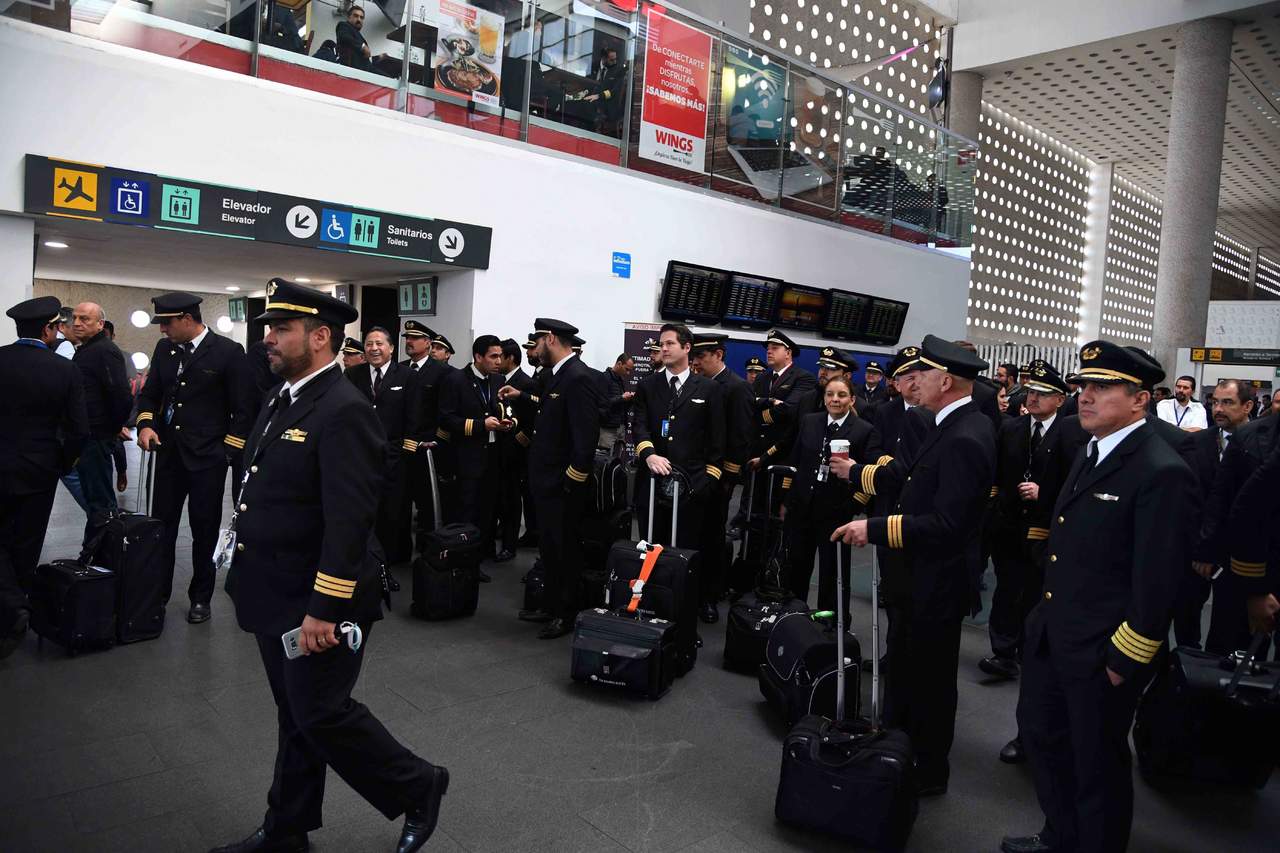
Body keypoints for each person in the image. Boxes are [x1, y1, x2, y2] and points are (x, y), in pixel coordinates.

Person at [213, 280, 447, 853]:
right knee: (295, 715)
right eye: (269, 328)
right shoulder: (282, 396)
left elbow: (349, 521)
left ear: (320, 337)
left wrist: (325, 606)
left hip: (318, 600)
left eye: (281, 329)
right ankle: (287, 830)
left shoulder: (344, 409)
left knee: (319, 713)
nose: (268, 338)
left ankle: (418, 785)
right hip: (273, 588)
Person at [1002, 341, 1195, 853]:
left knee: (1097, 765)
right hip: (1055, 634)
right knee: (1045, 742)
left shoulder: (1160, 470)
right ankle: (1060, 835)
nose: (1085, 396)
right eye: (1083, 386)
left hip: (1102, 649)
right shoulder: (1090, 452)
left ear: (1140, 400)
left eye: (1102, 387)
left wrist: (1124, 657)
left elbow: (1157, 580)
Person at [833, 335, 996, 797]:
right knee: (909, 669)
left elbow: (948, 524)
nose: (911, 381)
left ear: (944, 380)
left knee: (930, 682)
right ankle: (898, 751)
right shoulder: (948, 424)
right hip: (919, 577)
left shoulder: (966, 434)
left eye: (920, 373)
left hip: (936, 581)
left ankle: (925, 769)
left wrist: (877, 528)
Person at [135, 292, 252, 625]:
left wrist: (226, 452)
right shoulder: (165, 350)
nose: (162, 330)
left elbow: (243, 409)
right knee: (162, 528)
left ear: (188, 319)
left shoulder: (228, 352)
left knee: (204, 531)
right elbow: (150, 393)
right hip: (169, 455)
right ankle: (156, 596)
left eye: (167, 323)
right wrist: (145, 424)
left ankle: (201, 597)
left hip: (207, 460)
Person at [982, 362, 1084, 684]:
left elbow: (1074, 481)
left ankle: (1030, 651)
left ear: (1059, 400)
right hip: (1009, 523)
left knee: (1036, 592)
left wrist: (1045, 493)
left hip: (1044, 525)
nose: (1034, 398)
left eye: (1043, 393)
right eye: (1031, 391)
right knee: (1006, 587)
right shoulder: (1011, 428)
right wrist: (996, 506)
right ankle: (1002, 652)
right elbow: (997, 474)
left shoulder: (1072, 433)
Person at [0, 296, 88, 660]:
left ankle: (9, 606)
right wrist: (61, 463)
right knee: (26, 541)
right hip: (39, 470)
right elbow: (79, 430)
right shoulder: (64, 370)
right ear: (48, 329)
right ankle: (13, 614)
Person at [504, 319, 601, 639]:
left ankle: (567, 613)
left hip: (563, 484)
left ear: (550, 338)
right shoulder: (558, 376)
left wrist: (572, 479)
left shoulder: (577, 377)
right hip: (546, 481)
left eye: (538, 341)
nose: (535, 348)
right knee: (549, 548)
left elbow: (585, 437)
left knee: (565, 550)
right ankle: (551, 604)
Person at [782, 375, 879, 622]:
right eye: (830, 394)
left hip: (836, 512)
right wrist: (787, 499)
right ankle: (793, 616)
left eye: (841, 395)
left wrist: (852, 506)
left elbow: (869, 476)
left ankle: (830, 622)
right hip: (802, 507)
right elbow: (795, 463)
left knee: (832, 571)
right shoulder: (809, 421)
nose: (835, 399)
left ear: (852, 399)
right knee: (796, 566)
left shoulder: (864, 430)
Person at [632, 324, 726, 572]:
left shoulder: (709, 389)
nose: (663, 348)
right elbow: (639, 426)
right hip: (652, 483)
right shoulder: (648, 386)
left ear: (687, 347)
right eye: (661, 344)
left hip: (691, 485)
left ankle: (686, 603)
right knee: (650, 547)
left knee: (688, 551)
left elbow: (717, 440)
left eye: (669, 343)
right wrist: (649, 455)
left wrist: (707, 481)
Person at [1189, 378, 1264, 655]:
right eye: (1215, 402)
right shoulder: (1195, 443)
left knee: (1232, 629)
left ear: (1247, 406)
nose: (1218, 408)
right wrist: (1201, 547)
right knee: (1186, 623)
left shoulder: (1264, 447)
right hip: (1197, 552)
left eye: (1227, 403)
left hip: (1241, 557)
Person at [690, 333, 754, 617]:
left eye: (702, 357)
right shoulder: (697, 384)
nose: (697, 363)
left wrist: (727, 479)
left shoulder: (736, 387)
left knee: (713, 537)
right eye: (695, 358)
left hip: (719, 476)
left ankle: (709, 596)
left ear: (719, 355)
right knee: (694, 533)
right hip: (695, 472)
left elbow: (740, 438)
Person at [344, 327, 419, 570]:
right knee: (364, 510)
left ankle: (390, 564)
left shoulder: (407, 376)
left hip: (394, 455)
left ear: (391, 348)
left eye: (379, 344)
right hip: (360, 456)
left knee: (393, 512)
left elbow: (414, 417)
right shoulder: (352, 375)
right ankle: (367, 560)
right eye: (369, 344)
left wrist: (405, 452)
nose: (374, 348)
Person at [438, 334, 510, 575]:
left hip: (493, 455)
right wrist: (481, 425)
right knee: (466, 509)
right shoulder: (456, 379)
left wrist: (507, 421)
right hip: (466, 456)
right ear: (478, 357)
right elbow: (447, 419)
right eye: (493, 356)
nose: (498, 361)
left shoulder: (498, 380)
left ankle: (481, 554)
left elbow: (504, 409)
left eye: (500, 356)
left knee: (487, 509)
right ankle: (464, 559)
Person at [68, 302, 132, 546]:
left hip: (97, 438)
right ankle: (98, 551)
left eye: (85, 318)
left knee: (101, 503)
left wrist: (110, 429)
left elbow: (122, 396)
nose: (77, 323)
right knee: (95, 499)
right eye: (75, 318)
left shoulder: (104, 351)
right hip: (89, 437)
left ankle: (105, 553)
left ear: (100, 324)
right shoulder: (86, 350)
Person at [400, 321, 449, 538]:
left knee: (428, 502)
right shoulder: (399, 369)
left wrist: (437, 440)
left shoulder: (442, 372)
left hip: (428, 446)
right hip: (402, 445)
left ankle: (428, 546)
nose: (409, 342)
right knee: (400, 498)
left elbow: (445, 411)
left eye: (414, 338)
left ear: (428, 343)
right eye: (407, 338)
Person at [495, 339, 536, 560]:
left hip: (516, 451)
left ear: (510, 358)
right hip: (496, 448)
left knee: (512, 499)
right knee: (499, 496)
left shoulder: (526, 383)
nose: (497, 360)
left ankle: (509, 545)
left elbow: (533, 415)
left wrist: (521, 439)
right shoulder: (497, 380)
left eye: (499, 356)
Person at [104, 319, 133, 493]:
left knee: (117, 446)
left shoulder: (122, 356)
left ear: (113, 336)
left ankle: (122, 472)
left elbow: (127, 386)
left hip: (114, 409)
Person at [598, 353, 635, 449]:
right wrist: (622, 398)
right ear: (619, 364)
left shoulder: (620, 380)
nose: (628, 373)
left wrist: (630, 399)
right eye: (626, 369)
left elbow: (621, 405)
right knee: (604, 460)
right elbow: (602, 403)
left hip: (621, 427)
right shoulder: (604, 377)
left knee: (618, 460)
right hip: (607, 428)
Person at [805, 346, 854, 414]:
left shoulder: (860, 406)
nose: (823, 372)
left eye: (830, 369)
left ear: (846, 376)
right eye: (822, 367)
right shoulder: (807, 398)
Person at [335, 5, 383, 73]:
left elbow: (364, 61)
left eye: (361, 17)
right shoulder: (343, 25)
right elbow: (344, 37)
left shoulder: (358, 36)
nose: (359, 19)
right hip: (350, 72)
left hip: (362, 72)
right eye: (356, 16)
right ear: (349, 17)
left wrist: (378, 58)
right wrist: (362, 46)